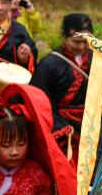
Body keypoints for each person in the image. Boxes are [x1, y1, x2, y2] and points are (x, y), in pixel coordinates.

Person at [30, 13, 91, 158]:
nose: (82, 46)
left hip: (92, 126)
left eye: (86, 41)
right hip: (62, 126)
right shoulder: (49, 64)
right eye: (76, 41)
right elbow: (40, 99)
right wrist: (60, 127)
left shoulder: (98, 60)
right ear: (64, 36)